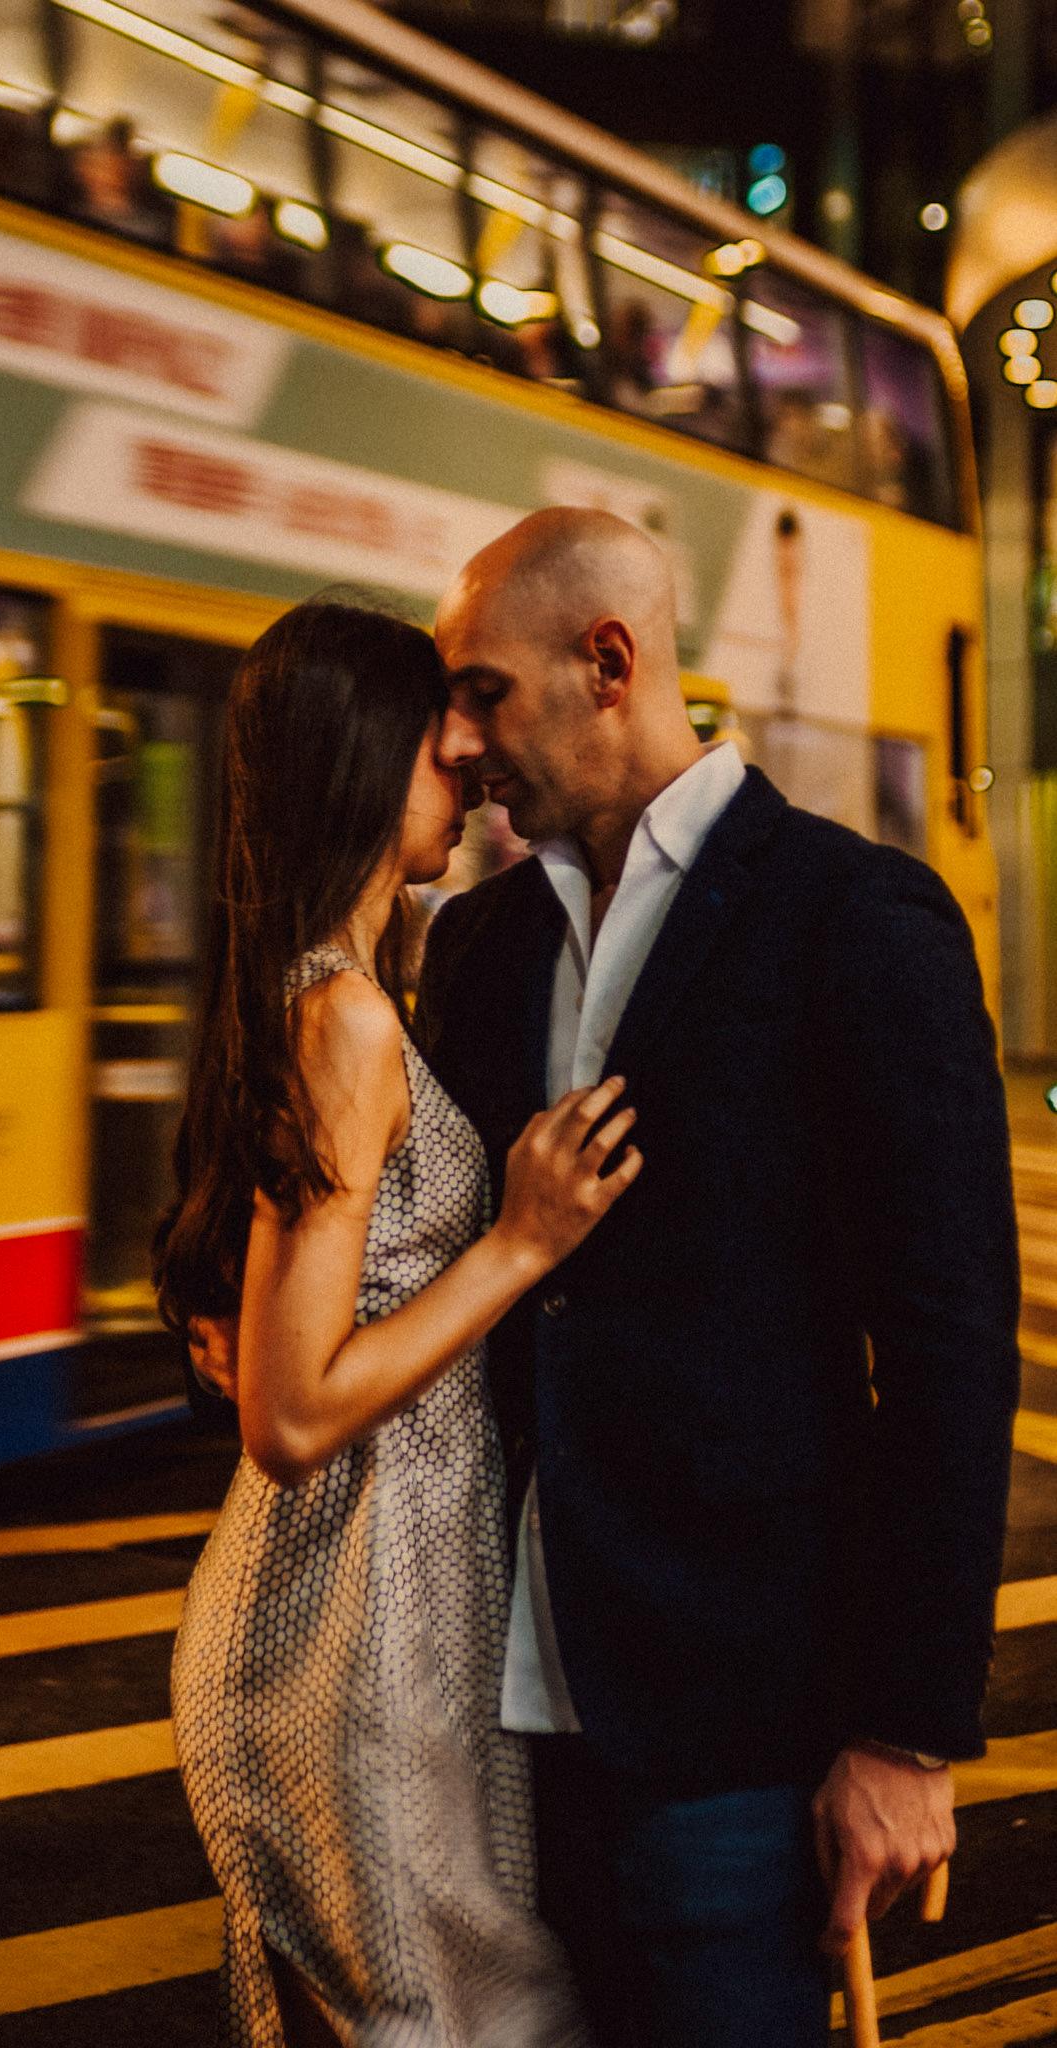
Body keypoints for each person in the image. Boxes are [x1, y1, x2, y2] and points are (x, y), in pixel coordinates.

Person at [193, 507, 1020, 2044]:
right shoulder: (479, 940)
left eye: (482, 694)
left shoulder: (850, 919)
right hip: (481, 1734)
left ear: (609, 663)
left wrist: (907, 1736)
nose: (458, 740)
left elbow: (948, 1351)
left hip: (729, 1739)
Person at [157, 601, 641, 2047]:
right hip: (341, 1624)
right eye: (444, 747)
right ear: (369, 764)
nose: (474, 768)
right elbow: (293, 1413)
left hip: (386, 1606)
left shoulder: (341, 994)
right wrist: (521, 1243)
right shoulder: (344, 1021)